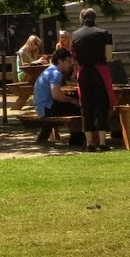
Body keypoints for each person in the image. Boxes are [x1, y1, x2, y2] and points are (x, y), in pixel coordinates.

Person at [71, 8, 117, 151]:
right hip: (99, 71)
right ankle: (102, 142)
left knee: (86, 106)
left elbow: (74, 57)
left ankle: (90, 143)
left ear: (81, 18)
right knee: (101, 106)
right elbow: (109, 57)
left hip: (84, 72)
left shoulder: (75, 35)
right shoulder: (104, 34)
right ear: (95, 18)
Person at [33, 47, 83, 145]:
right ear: (60, 61)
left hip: (41, 106)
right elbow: (56, 95)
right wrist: (72, 100)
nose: (70, 64)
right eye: (68, 61)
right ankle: (77, 137)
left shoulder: (50, 70)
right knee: (76, 107)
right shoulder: (55, 73)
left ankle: (76, 137)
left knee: (71, 106)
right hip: (46, 108)